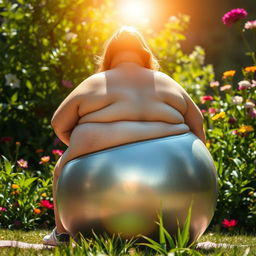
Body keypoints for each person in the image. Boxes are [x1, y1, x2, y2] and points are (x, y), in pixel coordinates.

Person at [43, 26, 206, 246]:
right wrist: (196, 163)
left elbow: (58, 122)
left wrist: (85, 148)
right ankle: (185, 230)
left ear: (110, 54)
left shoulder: (97, 81)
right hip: (174, 163)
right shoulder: (167, 81)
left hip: (97, 152)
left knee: (60, 171)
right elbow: (197, 122)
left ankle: (61, 234)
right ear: (144, 53)